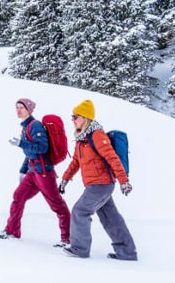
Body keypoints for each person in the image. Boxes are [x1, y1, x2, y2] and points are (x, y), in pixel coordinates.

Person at [58, 99, 137, 261]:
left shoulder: (97, 135)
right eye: (72, 117)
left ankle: (80, 249)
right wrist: (65, 179)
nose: (73, 120)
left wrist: (124, 180)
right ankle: (127, 252)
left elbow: (112, 158)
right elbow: (75, 162)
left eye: (76, 117)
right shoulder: (81, 139)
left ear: (85, 118)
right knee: (110, 218)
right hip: (96, 185)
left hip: (101, 185)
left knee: (80, 211)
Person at [0, 98, 71, 247]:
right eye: (16, 107)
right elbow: (29, 153)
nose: (18, 110)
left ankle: (67, 239)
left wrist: (20, 143)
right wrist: (22, 171)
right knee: (18, 196)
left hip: (44, 172)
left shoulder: (35, 125)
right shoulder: (25, 127)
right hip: (33, 172)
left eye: (21, 108)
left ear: (29, 110)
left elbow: (42, 148)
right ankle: (12, 231)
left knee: (57, 205)